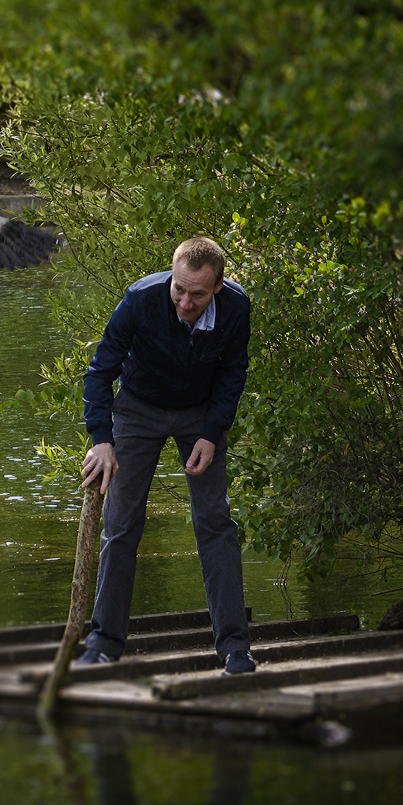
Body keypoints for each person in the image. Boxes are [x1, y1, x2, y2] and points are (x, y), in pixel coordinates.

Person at [76, 236, 255, 674]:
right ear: (171, 276)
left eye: (197, 293)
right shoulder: (139, 299)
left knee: (215, 522)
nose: (185, 301)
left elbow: (233, 373)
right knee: (120, 524)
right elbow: (100, 371)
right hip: (138, 408)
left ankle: (235, 647)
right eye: (179, 288)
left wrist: (213, 434)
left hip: (199, 414)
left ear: (217, 286)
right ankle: (103, 642)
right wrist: (102, 439)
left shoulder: (236, 308)